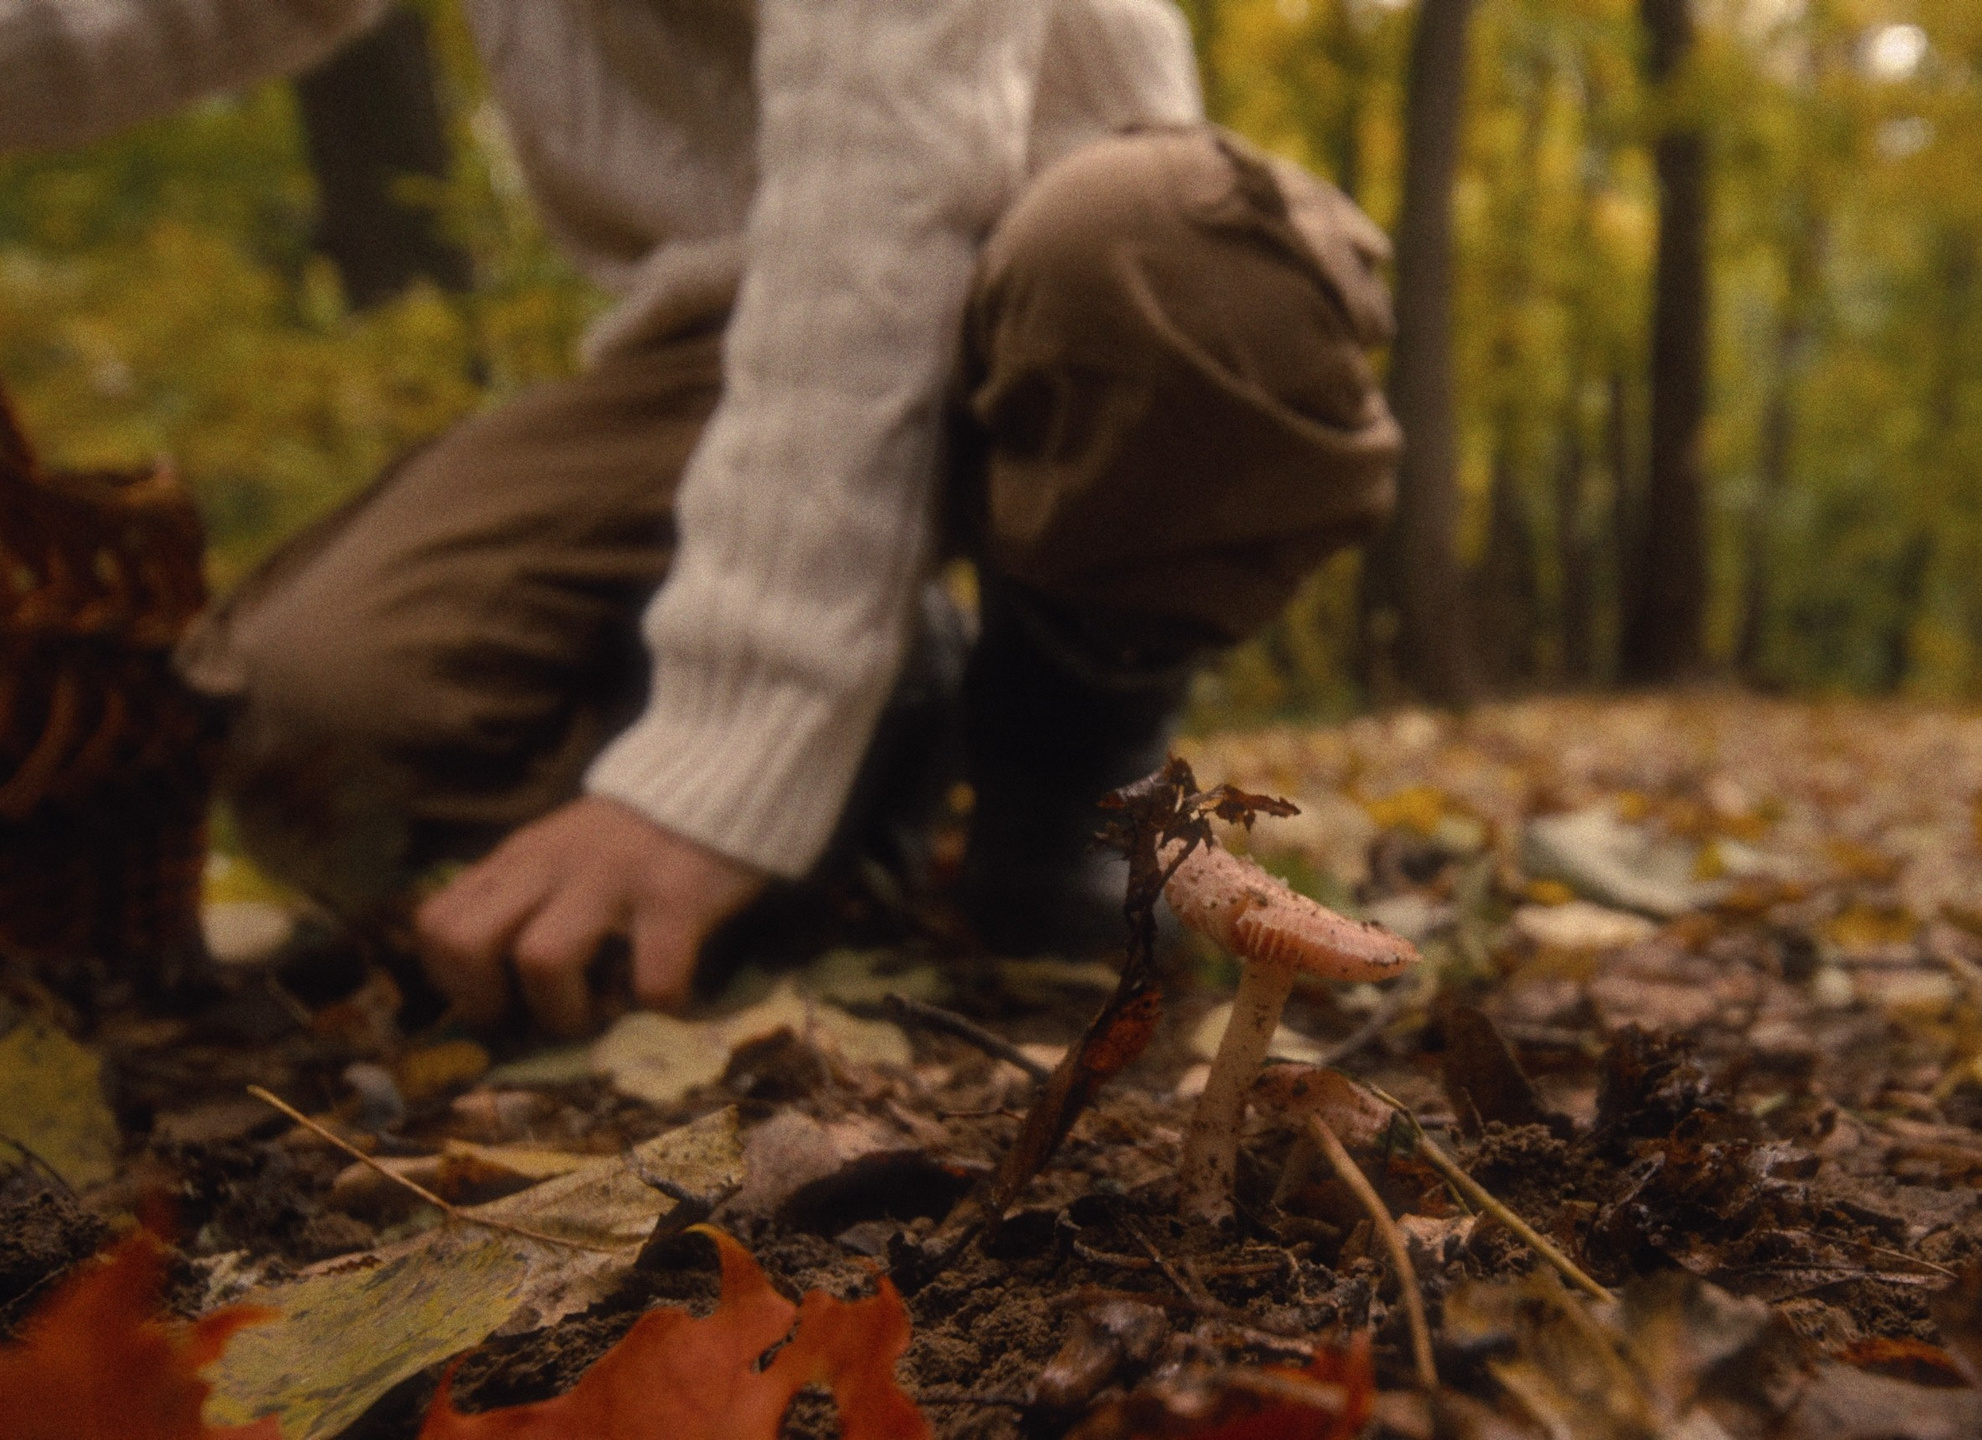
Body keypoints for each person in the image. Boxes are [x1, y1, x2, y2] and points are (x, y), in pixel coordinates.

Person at [0, 0, 1400, 1034]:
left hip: (1080, 275)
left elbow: (893, 152)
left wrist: (733, 736)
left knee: (1183, 272)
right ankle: (877, 749)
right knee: (317, 716)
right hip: (728, 328)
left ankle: (1073, 764)